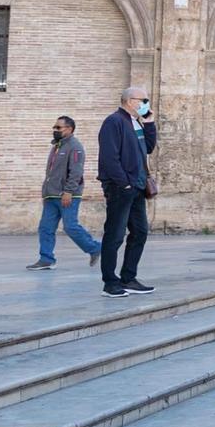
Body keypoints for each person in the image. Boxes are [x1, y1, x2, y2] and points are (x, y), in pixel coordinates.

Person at [96, 87, 157, 298]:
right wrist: (124, 184)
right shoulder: (114, 122)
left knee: (140, 231)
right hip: (121, 188)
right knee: (115, 235)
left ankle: (128, 278)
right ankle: (110, 282)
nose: (145, 103)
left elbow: (148, 148)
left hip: (137, 187)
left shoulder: (135, 122)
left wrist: (149, 123)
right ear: (130, 101)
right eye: (143, 100)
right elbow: (109, 157)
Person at [30, 116, 100, 270]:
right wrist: (45, 193)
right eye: (54, 127)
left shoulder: (75, 147)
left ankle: (95, 248)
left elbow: (76, 172)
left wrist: (69, 191)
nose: (55, 130)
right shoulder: (56, 146)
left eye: (58, 128)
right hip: (51, 195)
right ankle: (46, 259)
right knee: (45, 228)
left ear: (69, 129)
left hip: (67, 195)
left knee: (70, 226)